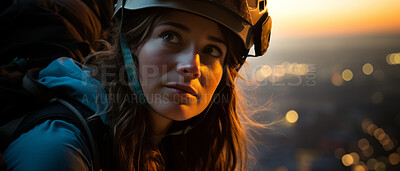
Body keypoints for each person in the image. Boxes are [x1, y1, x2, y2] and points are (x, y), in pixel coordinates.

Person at [2, 0, 272, 170]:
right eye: (171, 36)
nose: (192, 65)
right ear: (129, 45)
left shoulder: (172, 144)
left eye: (213, 50)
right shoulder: (58, 152)